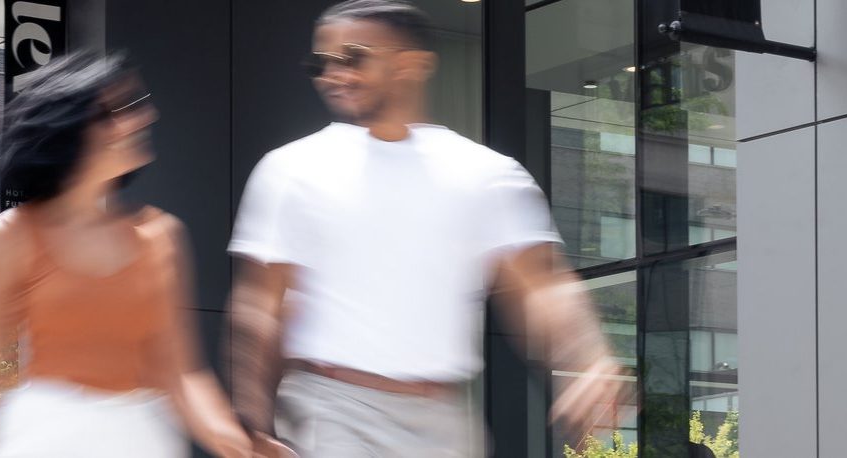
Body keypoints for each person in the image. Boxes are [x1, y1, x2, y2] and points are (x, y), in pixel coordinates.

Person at [228, 1, 626, 456]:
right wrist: (253, 424)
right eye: (321, 63)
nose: (333, 75)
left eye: (353, 57)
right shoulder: (291, 170)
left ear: (412, 64)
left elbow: (542, 287)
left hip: (442, 420)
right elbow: (259, 307)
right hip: (332, 407)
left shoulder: (486, 174)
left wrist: (589, 359)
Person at [0, 52, 251, 458]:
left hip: (139, 439)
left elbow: (180, 374)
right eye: (119, 110)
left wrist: (238, 443)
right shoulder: (5, 239)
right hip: (46, 439)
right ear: (72, 125)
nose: (144, 116)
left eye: (136, 106)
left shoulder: (160, 237)